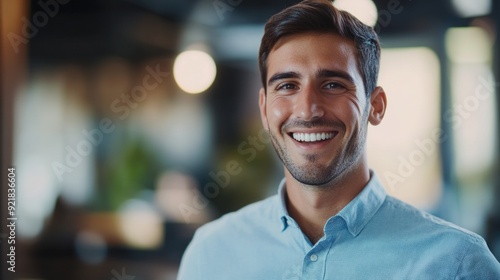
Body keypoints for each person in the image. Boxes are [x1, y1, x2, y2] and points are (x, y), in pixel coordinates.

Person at [177, 0, 500, 279]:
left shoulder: (456, 263)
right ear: (264, 109)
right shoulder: (210, 254)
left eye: (332, 84)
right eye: (287, 86)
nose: (307, 109)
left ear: (376, 106)